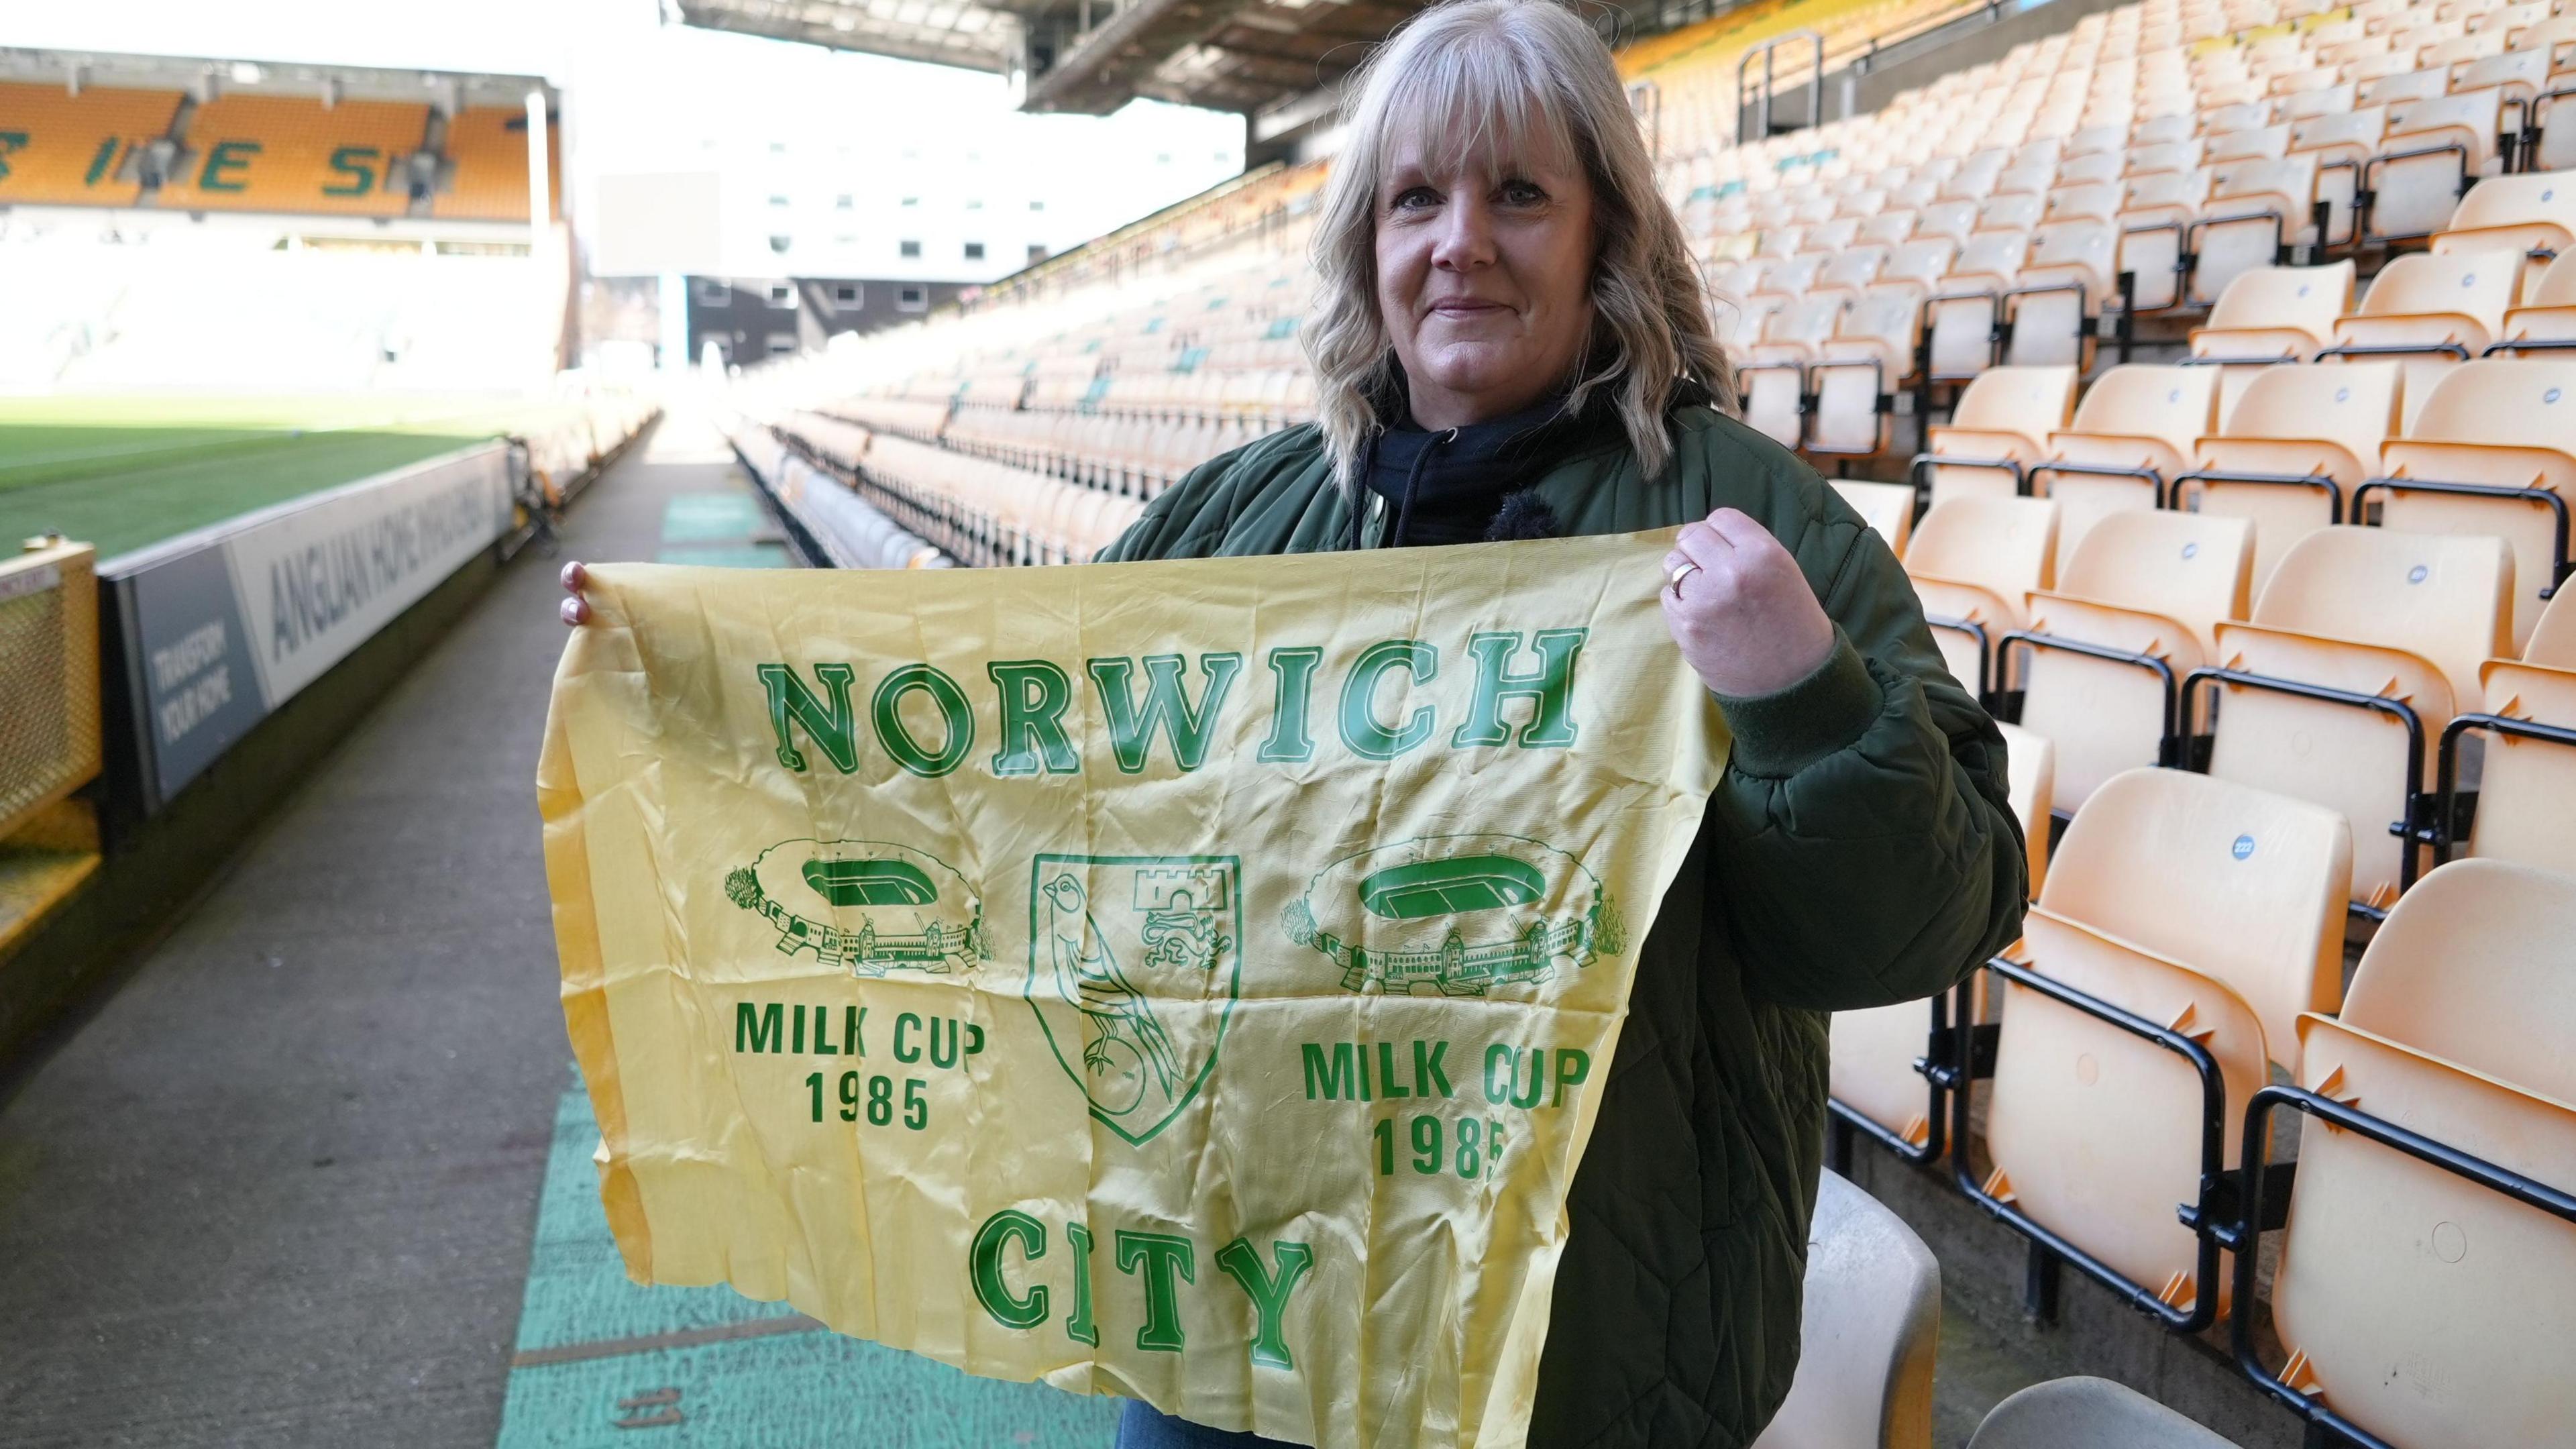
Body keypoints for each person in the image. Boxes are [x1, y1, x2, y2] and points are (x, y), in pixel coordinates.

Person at [564, 2, 2024, 1440]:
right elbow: (1022, 795)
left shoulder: (1749, 519)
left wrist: (1801, 695)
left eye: (1519, 192)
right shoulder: (1240, 519)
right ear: (1367, 250)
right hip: (1235, 1324)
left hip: (1575, 1361)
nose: (1461, 240)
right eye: (1415, 200)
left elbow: (1921, 929)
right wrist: (716, 696)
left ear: (1606, 237)